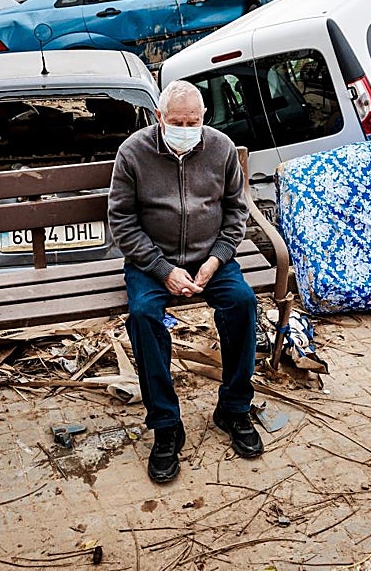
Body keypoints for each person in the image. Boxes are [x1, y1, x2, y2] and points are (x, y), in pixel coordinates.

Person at [108, 79, 263, 483]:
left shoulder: (221, 148)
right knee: (143, 315)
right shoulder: (133, 153)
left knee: (243, 303)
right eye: (176, 120)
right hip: (152, 262)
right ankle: (165, 425)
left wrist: (215, 262)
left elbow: (235, 212)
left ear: (203, 119)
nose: (184, 127)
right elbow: (122, 222)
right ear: (159, 118)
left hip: (210, 258)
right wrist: (163, 271)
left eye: (192, 121)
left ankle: (233, 408)